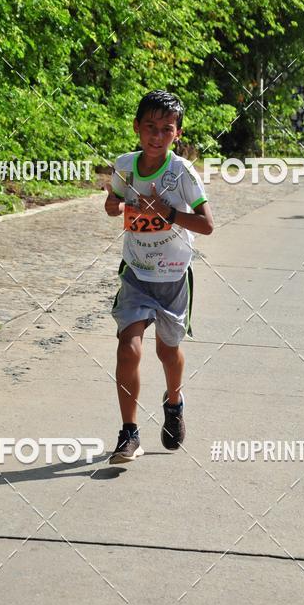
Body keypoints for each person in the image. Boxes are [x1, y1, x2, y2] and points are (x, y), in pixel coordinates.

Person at [104, 90, 214, 464]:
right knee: (127, 347)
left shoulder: (181, 172)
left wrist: (168, 213)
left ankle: (173, 402)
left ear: (177, 135)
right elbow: (112, 205)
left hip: (172, 278)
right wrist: (117, 201)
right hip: (135, 274)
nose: (156, 136)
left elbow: (207, 225)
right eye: (149, 127)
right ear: (136, 127)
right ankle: (129, 433)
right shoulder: (125, 165)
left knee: (167, 351)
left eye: (166, 129)